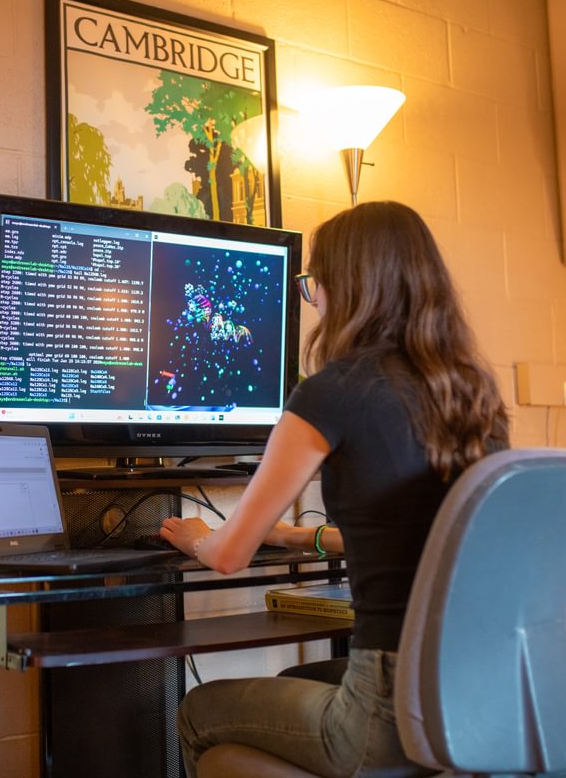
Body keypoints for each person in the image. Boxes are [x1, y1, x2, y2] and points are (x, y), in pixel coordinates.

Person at [159, 200, 509, 777]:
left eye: (312, 282)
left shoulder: (332, 391)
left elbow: (229, 556)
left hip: (391, 711)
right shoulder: (472, 394)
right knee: (298, 681)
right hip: (480, 698)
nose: (312, 297)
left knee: (201, 710)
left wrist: (199, 537)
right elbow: (425, 537)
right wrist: (299, 538)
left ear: (344, 286)